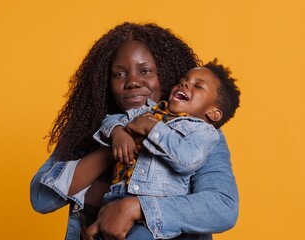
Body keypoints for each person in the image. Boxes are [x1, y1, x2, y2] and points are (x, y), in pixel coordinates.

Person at [30, 22, 238, 240]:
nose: (132, 82)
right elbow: (41, 199)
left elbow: (222, 208)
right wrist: (118, 145)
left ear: (166, 75)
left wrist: (137, 207)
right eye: (119, 74)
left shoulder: (193, 134)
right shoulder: (91, 130)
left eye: (146, 71)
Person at [92, 61, 240, 239]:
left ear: (213, 113)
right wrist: (117, 132)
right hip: (113, 204)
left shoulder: (203, 132)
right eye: (183, 80)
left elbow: (188, 159)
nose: (184, 84)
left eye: (198, 86)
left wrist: (152, 128)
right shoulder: (150, 111)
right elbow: (111, 120)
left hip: (152, 219)